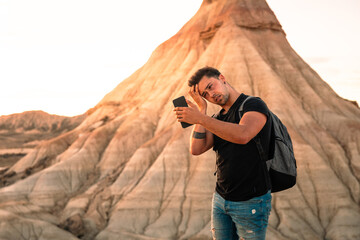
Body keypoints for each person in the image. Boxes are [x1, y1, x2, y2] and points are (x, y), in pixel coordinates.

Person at [174, 67, 272, 240]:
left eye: (211, 86)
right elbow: (196, 149)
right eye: (205, 94)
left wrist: (200, 118)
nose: (211, 95)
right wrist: (201, 111)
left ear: (222, 78)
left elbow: (243, 135)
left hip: (251, 202)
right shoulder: (217, 118)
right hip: (220, 200)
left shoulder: (253, 105)